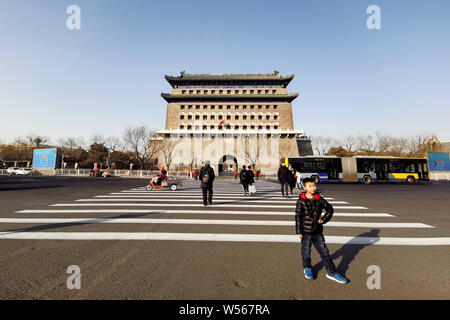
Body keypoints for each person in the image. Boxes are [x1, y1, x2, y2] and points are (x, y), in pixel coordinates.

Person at [295, 178, 348, 284]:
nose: (313, 188)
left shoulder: (319, 198)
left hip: (317, 231)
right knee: (306, 252)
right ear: (304, 187)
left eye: (314, 185)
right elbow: (298, 216)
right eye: (310, 186)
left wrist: (323, 219)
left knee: (324, 252)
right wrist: (299, 231)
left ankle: (331, 272)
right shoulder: (301, 200)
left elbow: (330, 209)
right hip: (305, 231)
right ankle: (307, 268)